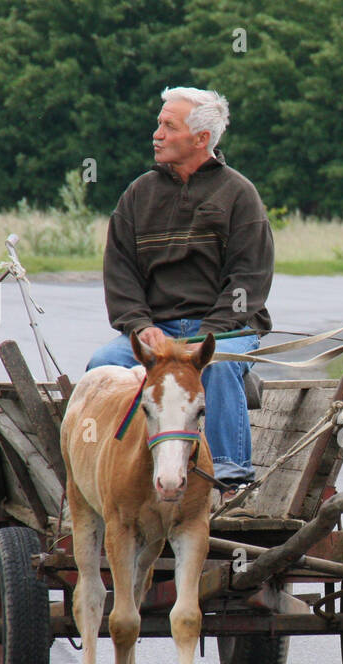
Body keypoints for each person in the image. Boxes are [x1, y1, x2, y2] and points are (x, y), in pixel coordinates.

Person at [87, 86, 272, 491]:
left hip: (225, 331)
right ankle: (114, 474)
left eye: (168, 126)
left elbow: (247, 283)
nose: (157, 133)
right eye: (159, 124)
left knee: (219, 366)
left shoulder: (240, 195)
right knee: (103, 364)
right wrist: (140, 326)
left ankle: (227, 477)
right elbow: (120, 272)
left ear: (201, 138)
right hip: (158, 331)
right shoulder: (137, 195)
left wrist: (207, 338)